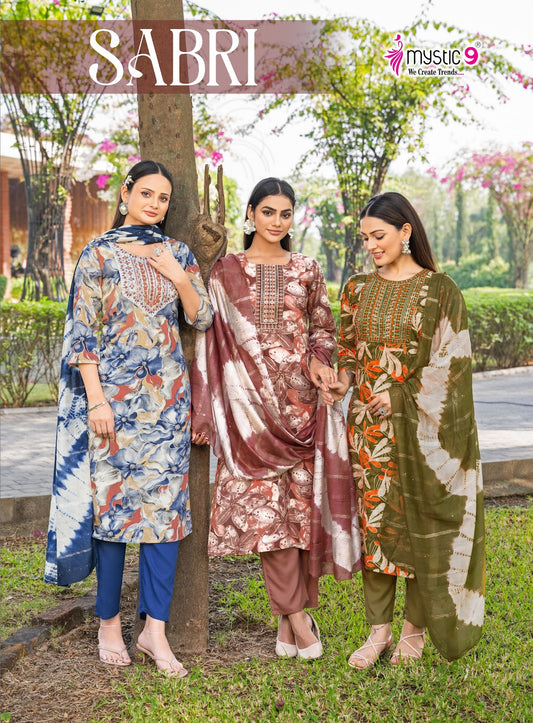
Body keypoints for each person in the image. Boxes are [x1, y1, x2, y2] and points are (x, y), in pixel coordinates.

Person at [45, 160, 214, 677]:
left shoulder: (177, 253)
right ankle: (109, 623)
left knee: (166, 518)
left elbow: (202, 317)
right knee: (114, 518)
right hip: (114, 406)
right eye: (146, 193)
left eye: (163, 198)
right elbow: (82, 335)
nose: (155, 204)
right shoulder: (97, 254)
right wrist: (97, 400)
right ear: (126, 193)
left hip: (168, 405)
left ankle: (154, 631)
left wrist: (178, 276)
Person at [192, 177, 361, 661]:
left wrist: (320, 364)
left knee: (300, 514)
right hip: (247, 413)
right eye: (268, 212)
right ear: (250, 214)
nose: (277, 222)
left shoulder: (307, 268)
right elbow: (208, 340)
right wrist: (205, 410)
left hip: (302, 407)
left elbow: (323, 331)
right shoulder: (224, 271)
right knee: (265, 516)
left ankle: (289, 622)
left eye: (286, 214)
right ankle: (299, 618)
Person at [322, 191, 485, 667]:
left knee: (416, 524)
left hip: (421, 432)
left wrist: (397, 396)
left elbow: (452, 366)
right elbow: (348, 350)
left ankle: (413, 631)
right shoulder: (356, 289)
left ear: (405, 232)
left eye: (379, 236)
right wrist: (342, 382)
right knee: (374, 526)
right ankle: (379, 632)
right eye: (365, 238)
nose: (372, 245)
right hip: (368, 431)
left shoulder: (440, 290)